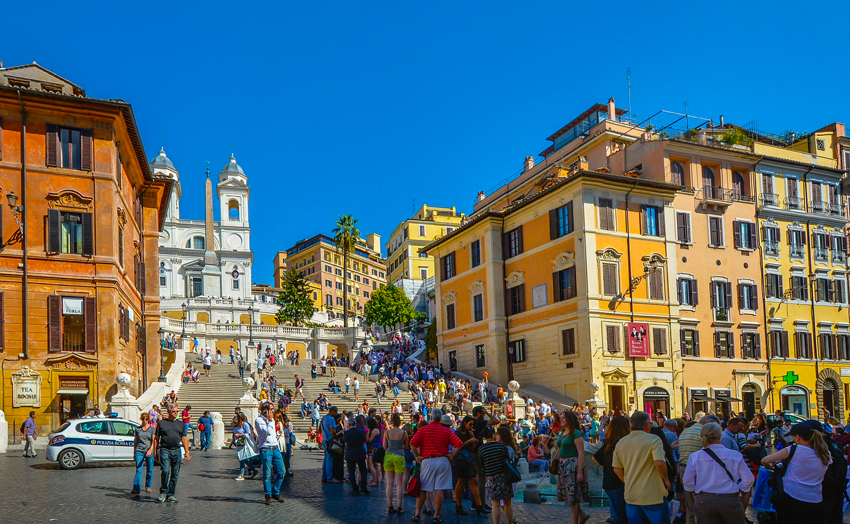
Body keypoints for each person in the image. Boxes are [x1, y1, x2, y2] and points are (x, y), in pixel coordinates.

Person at [681, 422, 753, 524]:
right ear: (720, 437)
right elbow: (749, 478)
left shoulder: (695, 456)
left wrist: (695, 491)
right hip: (730, 498)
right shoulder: (734, 455)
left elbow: (687, 480)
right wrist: (741, 488)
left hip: (705, 499)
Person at [761, 422, 832, 523]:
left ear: (797, 437)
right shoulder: (825, 452)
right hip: (815, 498)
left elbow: (764, 460)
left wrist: (771, 467)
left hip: (792, 495)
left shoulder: (794, 449)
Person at [612, 411, 670, 524]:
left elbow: (616, 468)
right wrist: (666, 479)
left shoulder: (621, 442)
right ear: (647, 425)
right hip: (653, 495)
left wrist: (626, 481)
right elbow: (659, 462)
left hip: (631, 495)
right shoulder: (654, 440)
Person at [409, 408, 464, 523]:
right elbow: (459, 444)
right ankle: (436, 515)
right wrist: (452, 455)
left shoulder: (423, 430)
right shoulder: (446, 431)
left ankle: (417, 514)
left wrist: (417, 456)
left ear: (431, 418)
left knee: (423, 489)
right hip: (443, 460)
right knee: (439, 489)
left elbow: (412, 443)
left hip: (427, 461)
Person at [677, 414, 720, 524]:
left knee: (690, 505)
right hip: (699, 470)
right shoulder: (704, 432)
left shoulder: (686, 431)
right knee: (701, 506)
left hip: (683, 469)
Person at [554, 410, 591, 524]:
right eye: (561, 418)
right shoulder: (563, 432)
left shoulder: (576, 433)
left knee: (573, 495)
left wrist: (579, 471)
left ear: (569, 419)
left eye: (564, 418)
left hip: (572, 465)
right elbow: (560, 447)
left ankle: (575, 521)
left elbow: (581, 453)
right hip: (563, 465)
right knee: (569, 495)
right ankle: (582, 515)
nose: (562, 420)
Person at [151, 404, 191, 503]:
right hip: (165, 449)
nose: (176, 413)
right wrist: (155, 452)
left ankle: (171, 494)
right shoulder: (162, 423)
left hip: (176, 450)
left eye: (177, 411)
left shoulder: (180, 424)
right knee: (165, 471)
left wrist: (187, 452)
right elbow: (156, 438)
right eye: (173, 411)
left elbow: (184, 438)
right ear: (169, 412)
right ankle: (163, 491)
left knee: (175, 473)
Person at [452, 415, 488, 516]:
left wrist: (473, 439)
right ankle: (459, 505)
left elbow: (471, 449)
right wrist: (469, 441)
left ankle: (479, 505)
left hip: (468, 459)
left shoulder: (469, 433)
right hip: (460, 459)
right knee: (461, 481)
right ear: (464, 423)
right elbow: (458, 446)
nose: (471, 426)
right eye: (470, 424)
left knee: (474, 480)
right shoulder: (458, 433)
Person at [479, 425, 514, 524]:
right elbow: (507, 459)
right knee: (507, 503)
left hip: (491, 477)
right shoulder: (501, 446)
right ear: (493, 434)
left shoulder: (482, 449)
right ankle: (509, 522)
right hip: (504, 476)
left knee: (495, 504)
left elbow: (482, 464)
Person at [255, 403, 286, 505]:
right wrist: (268, 420)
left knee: (282, 472)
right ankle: (268, 495)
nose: (273, 411)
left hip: (275, 448)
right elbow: (267, 432)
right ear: (265, 411)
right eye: (271, 409)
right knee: (267, 474)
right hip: (266, 449)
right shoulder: (259, 421)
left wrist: (271, 420)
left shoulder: (272, 420)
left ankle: (275, 492)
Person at [344, 415, 370, 495]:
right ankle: (363, 488)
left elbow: (345, 441)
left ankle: (355, 488)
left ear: (349, 425)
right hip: (360, 452)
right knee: (363, 471)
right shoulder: (361, 431)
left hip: (350, 453)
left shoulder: (346, 433)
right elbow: (363, 440)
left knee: (352, 472)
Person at [132, 412, 156, 494]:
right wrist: (134, 452)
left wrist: (150, 450)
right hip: (139, 451)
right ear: (141, 419)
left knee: (149, 470)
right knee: (139, 470)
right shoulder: (137, 429)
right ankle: (136, 488)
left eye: (146, 419)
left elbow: (153, 441)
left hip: (148, 450)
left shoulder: (152, 429)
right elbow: (135, 441)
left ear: (149, 420)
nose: (145, 421)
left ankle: (148, 486)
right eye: (143, 419)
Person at [232, 412, 259, 481]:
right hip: (238, 441)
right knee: (242, 457)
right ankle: (253, 470)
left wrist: (240, 435)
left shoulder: (245, 424)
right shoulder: (237, 425)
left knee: (242, 457)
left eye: (237, 417)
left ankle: (242, 474)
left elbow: (248, 433)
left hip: (243, 441)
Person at [320, 406, 341, 483]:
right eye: (335, 412)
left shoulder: (323, 418)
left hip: (324, 439)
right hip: (329, 440)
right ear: (332, 411)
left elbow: (319, 429)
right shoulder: (331, 419)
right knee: (330, 459)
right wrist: (336, 439)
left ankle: (324, 476)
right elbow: (333, 432)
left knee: (326, 458)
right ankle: (329, 477)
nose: (335, 414)